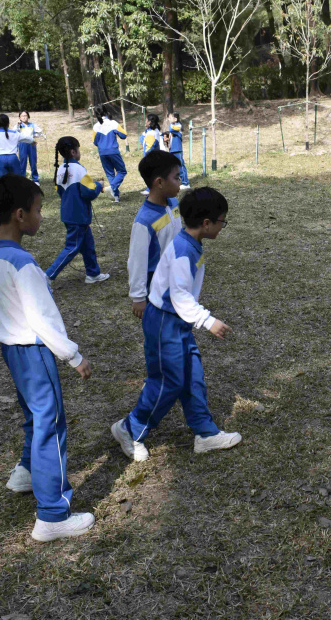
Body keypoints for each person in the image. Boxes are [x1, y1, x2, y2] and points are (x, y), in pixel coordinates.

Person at [0, 174, 96, 542]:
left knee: (35, 415)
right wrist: (72, 355)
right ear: (20, 215)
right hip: (34, 352)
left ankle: (26, 471)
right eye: (38, 209)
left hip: (12, 352)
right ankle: (52, 515)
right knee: (50, 423)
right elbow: (42, 319)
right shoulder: (24, 265)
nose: (41, 216)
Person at [110, 186, 241, 462]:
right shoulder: (184, 250)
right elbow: (179, 296)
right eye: (222, 221)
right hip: (164, 322)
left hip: (177, 322)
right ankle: (130, 429)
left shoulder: (189, 242)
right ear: (206, 223)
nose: (223, 226)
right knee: (167, 381)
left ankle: (205, 433)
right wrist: (208, 321)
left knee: (192, 374)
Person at [44, 136, 111, 284]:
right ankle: (47, 276)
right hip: (78, 215)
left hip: (68, 214)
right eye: (78, 149)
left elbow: (59, 191)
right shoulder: (79, 169)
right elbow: (89, 192)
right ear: (74, 152)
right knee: (72, 247)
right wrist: (99, 185)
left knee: (88, 245)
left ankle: (93, 274)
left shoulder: (60, 169)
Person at [126, 150, 183, 322]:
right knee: (162, 325)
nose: (180, 181)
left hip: (176, 278)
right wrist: (138, 297)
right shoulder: (144, 221)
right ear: (159, 182)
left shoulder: (173, 203)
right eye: (177, 177)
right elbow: (137, 261)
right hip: (158, 286)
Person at [92, 107, 127, 203]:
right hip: (113, 151)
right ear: (106, 111)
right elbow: (124, 135)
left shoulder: (96, 126)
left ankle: (116, 198)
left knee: (110, 174)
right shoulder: (113, 123)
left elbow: (94, 142)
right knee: (122, 171)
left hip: (102, 153)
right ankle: (112, 187)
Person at [139, 114, 162, 196]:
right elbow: (141, 139)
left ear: (149, 122)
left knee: (151, 173)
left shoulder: (152, 133)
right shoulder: (152, 131)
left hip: (151, 156)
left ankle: (150, 189)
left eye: (146, 120)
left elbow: (149, 147)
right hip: (154, 155)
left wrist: (146, 157)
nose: (145, 122)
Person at [17, 111, 42, 185]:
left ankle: (35, 179)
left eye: (25, 115)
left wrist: (34, 136)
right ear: (20, 117)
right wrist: (17, 125)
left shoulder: (32, 125)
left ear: (28, 116)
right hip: (22, 144)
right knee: (22, 162)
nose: (24, 117)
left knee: (33, 162)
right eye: (22, 116)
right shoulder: (19, 125)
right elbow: (14, 132)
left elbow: (40, 132)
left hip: (31, 144)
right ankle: (22, 179)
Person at [167, 112, 190, 190]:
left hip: (177, 149)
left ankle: (185, 183)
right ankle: (179, 181)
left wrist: (170, 124)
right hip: (172, 149)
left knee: (180, 165)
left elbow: (171, 129)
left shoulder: (178, 126)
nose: (169, 119)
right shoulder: (174, 126)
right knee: (174, 167)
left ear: (175, 119)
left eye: (170, 117)